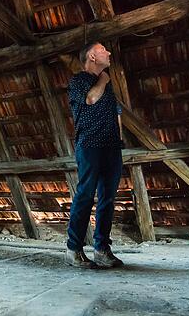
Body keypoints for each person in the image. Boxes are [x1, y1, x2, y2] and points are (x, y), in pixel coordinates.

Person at [65, 41, 125, 269]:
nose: (108, 52)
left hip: (111, 147)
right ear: (91, 55)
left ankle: (101, 249)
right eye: (103, 50)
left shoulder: (106, 85)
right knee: (85, 195)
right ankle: (73, 249)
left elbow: (115, 111)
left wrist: (119, 138)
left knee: (108, 199)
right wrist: (103, 79)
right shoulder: (79, 81)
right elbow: (91, 99)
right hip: (89, 145)